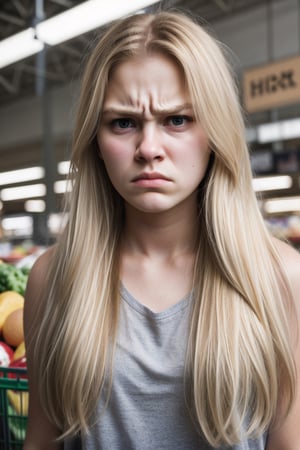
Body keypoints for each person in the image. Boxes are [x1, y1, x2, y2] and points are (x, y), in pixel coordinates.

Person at [23, 10, 300, 450]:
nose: (149, 149)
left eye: (177, 120)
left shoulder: (278, 274)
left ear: (216, 131)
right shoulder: (54, 278)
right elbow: (42, 439)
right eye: (123, 122)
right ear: (95, 139)